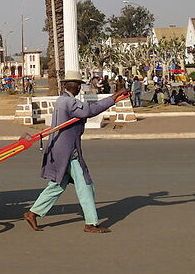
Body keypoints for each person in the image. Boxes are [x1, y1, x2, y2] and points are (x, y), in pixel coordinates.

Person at [23, 71, 128, 234]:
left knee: (58, 185)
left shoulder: (61, 100)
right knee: (86, 185)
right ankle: (91, 223)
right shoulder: (70, 103)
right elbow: (90, 110)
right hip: (69, 151)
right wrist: (114, 97)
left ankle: (33, 213)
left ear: (65, 85)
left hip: (58, 148)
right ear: (78, 87)